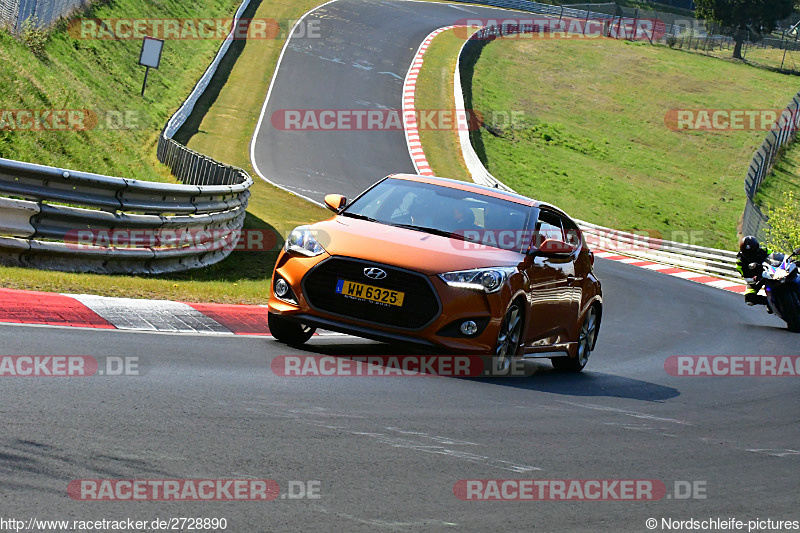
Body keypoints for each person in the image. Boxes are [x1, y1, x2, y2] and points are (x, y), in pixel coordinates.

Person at [736, 235, 770, 307]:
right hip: (756, 280)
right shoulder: (740, 262)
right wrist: (754, 279)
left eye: (752, 252)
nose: (750, 255)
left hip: (770, 273)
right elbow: (746, 278)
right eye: (747, 253)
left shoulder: (764, 251)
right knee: (749, 299)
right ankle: (769, 303)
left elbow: (776, 256)